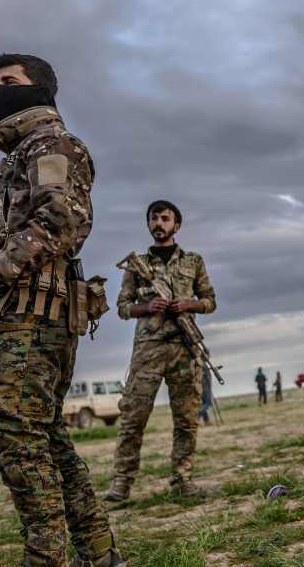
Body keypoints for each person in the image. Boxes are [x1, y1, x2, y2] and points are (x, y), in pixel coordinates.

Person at [0, 53, 123, 566]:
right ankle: (98, 552)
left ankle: (47, 557)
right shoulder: (22, 152)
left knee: (17, 434)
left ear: (40, 90)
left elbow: (60, 218)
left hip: (34, 313)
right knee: (43, 433)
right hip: (27, 310)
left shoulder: (52, 144)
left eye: (9, 82)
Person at [104, 201, 217, 502]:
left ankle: (182, 480)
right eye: (154, 218)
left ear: (176, 225)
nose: (159, 223)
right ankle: (121, 484)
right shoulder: (137, 265)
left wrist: (187, 305)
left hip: (185, 348)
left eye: (165, 218)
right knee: (133, 418)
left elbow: (209, 301)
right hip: (149, 349)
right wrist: (147, 307)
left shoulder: (193, 261)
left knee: (186, 419)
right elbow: (122, 308)